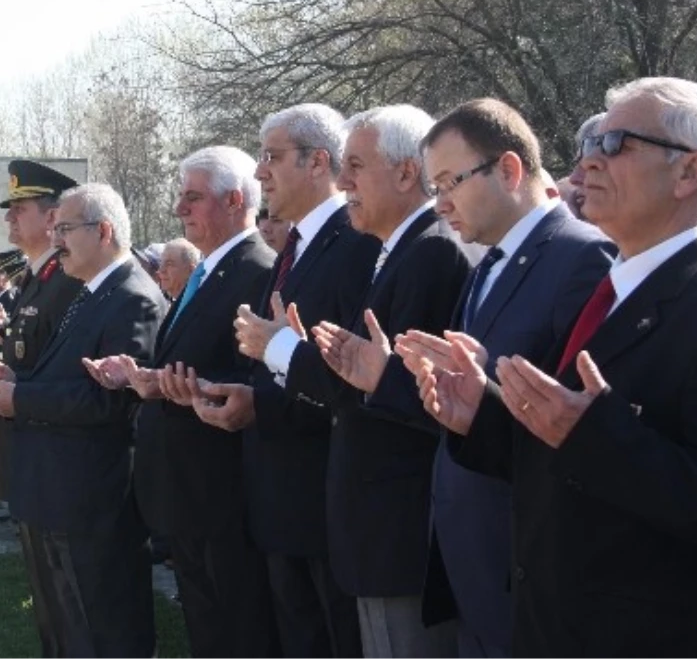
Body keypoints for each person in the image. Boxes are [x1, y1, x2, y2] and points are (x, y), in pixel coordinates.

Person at [424, 77, 697, 658]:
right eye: (591, 143)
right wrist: (485, 414)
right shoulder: (616, 286)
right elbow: (563, 447)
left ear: (691, 172)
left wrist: (598, 437)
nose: (587, 160)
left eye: (617, 144)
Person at [392, 98, 612, 659]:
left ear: (509, 170)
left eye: (449, 182)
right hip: (476, 560)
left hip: (525, 565)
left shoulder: (581, 258)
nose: (439, 204)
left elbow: (577, 433)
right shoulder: (489, 261)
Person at [178, 104, 376, 659]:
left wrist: (260, 402)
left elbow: (346, 376)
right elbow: (274, 363)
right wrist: (249, 395)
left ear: (318, 163)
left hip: (321, 500)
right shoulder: (298, 244)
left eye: (272, 156)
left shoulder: (356, 241)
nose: (261, 171)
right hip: (279, 497)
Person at [88, 146, 280, 659]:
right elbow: (193, 359)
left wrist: (189, 385)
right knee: (207, 630)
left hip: (225, 492)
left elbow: (256, 375)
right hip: (191, 494)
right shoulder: (210, 271)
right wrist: (149, 381)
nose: (180, 209)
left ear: (235, 200)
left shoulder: (258, 269)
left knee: (239, 632)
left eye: (193, 198)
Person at [305, 105, 477, 659]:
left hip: (401, 532)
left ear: (407, 173)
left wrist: (370, 372)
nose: (342, 181)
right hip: (375, 529)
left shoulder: (431, 251)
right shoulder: (394, 251)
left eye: (355, 165)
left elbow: (421, 404)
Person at [0, 182, 166, 658]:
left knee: (102, 631)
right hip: (60, 490)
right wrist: (18, 379)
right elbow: (70, 377)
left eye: (64, 229)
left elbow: (111, 402)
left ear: (102, 231)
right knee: (68, 632)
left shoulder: (133, 298)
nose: (55, 238)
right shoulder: (91, 293)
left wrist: (22, 399)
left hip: (93, 498)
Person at [0, 159, 83, 505]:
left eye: (19, 209)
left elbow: (69, 373)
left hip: (53, 451)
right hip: (27, 441)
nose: (8, 217)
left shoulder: (68, 280)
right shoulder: (36, 277)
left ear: (51, 218)